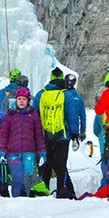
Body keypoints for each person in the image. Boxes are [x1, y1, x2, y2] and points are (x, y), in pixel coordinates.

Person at [34, 67, 85, 198]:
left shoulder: (41, 94)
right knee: (61, 165)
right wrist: (74, 134)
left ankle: (43, 189)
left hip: (45, 135)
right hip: (63, 135)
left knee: (46, 163)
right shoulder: (66, 95)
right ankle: (61, 190)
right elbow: (71, 116)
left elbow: (35, 114)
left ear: (50, 78)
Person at [0, 88, 46, 197]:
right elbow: (3, 136)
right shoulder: (9, 116)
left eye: (24, 99)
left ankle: (27, 203)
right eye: (19, 99)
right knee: (17, 178)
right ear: (16, 100)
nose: (21, 101)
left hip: (29, 153)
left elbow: (39, 136)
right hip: (13, 153)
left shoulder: (34, 116)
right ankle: (16, 201)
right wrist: (1, 152)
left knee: (28, 178)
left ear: (28, 101)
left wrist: (42, 152)